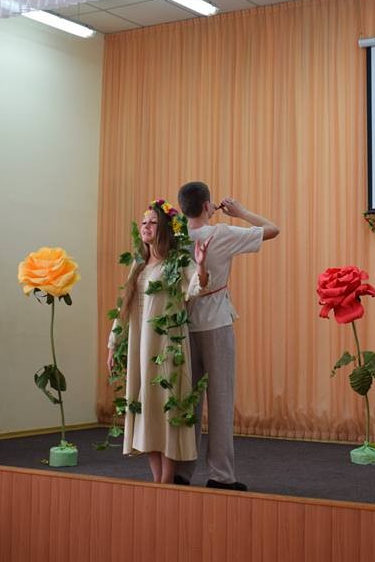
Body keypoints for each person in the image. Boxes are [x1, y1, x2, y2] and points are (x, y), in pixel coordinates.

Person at [173, 181, 279, 490]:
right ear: (208, 206)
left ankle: (180, 471)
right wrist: (240, 211)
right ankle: (220, 475)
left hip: (182, 325)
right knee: (220, 399)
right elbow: (272, 229)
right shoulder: (221, 233)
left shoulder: (175, 239)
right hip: (216, 323)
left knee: (187, 401)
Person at [106, 200, 212, 484]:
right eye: (144, 222)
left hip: (167, 345)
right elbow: (124, 307)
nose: (146, 227)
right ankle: (158, 482)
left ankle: (167, 481)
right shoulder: (138, 265)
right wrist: (114, 342)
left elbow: (197, 287)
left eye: (152, 222)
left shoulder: (177, 262)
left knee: (167, 406)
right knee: (146, 407)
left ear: (164, 228)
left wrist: (201, 265)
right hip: (141, 346)